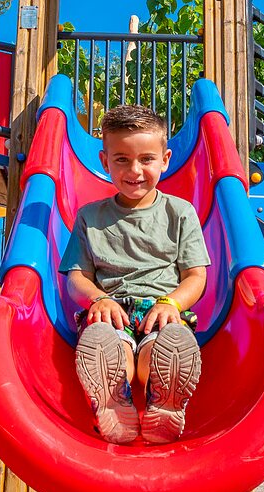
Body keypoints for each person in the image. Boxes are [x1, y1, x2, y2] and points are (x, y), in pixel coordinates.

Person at [60, 104, 210, 445]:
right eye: (122, 159)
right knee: (108, 342)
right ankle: (114, 399)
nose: (135, 170)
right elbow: (76, 277)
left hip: (162, 308)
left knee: (162, 346)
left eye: (146, 159)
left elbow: (195, 276)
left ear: (165, 159)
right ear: (104, 161)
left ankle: (164, 398)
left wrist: (171, 302)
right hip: (110, 308)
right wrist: (96, 298)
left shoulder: (179, 212)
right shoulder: (90, 216)